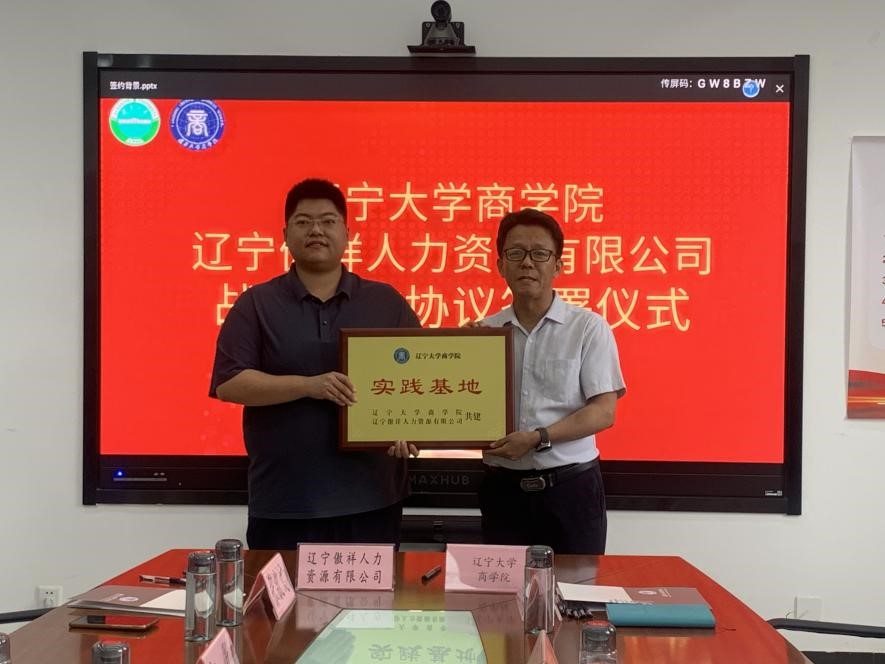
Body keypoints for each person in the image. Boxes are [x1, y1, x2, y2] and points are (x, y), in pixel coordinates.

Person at [209, 178, 420, 549]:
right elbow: (230, 383)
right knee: (281, 591)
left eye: (328, 221)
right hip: (284, 502)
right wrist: (309, 385)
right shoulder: (256, 304)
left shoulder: (386, 302)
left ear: (347, 233)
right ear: (285, 235)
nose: (316, 231)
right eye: (303, 222)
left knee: (371, 592)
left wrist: (410, 426)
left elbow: (420, 379)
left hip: (372, 500)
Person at [478, 208, 626, 554]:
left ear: (557, 265)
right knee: (503, 585)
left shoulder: (587, 327)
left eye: (540, 254)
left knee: (577, 585)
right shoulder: (483, 334)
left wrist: (537, 438)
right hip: (503, 492)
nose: (527, 263)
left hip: (571, 490)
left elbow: (604, 411)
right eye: (516, 253)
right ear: (500, 265)